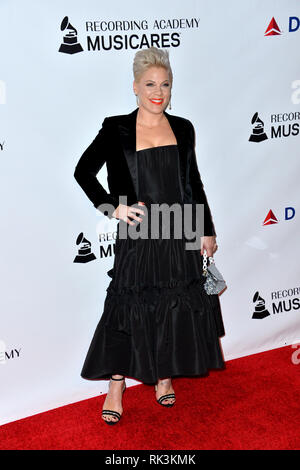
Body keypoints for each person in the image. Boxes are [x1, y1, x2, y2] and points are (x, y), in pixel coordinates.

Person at [74, 46, 225, 425]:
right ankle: (116, 384)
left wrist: (205, 230)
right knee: (126, 309)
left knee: (173, 306)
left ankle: (163, 377)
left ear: (172, 89)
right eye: (150, 84)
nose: (159, 92)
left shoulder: (184, 127)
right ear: (135, 87)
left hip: (179, 230)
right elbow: (83, 172)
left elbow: (193, 183)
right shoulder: (116, 128)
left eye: (166, 84)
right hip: (139, 235)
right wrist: (113, 207)